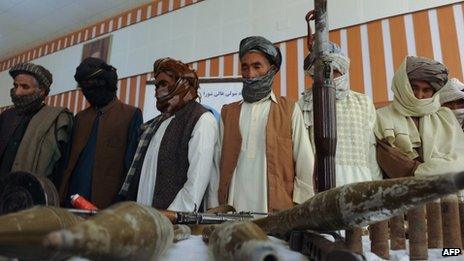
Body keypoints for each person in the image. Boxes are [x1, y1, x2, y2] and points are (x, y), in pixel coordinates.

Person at [211, 36, 314, 213]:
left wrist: (301, 209)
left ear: (272, 69)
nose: (250, 74)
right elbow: (216, 164)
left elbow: (305, 161)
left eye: (257, 66)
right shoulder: (228, 112)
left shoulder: (289, 109)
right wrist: (214, 206)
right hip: (232, 209)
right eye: (245, 67)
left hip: (276, 210)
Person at [118, 57, 217, 212]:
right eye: (156, 85)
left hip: (174, 224)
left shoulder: (201, 119)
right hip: (145, 218)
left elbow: (195, 185)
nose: (158, 90)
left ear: (181, 83)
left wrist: (171, 216)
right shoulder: (155, 124)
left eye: (163, 84)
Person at [59, 58, 143, 208]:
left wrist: (122, 202)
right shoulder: (80, 118)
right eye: (85, 87)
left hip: (108, 202)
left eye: (94, 85)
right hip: (72, 198)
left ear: (107, 83)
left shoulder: (130, 115)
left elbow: (132, 166)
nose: (89, 91)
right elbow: (67, 162)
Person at [298, 42, 382, 186]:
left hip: (360, 183)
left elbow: (371, 149)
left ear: (342, 71)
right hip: (318, 185)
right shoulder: (305, 103)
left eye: (333, 72)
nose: (328, 78)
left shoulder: (363, 102)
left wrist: (376, 187)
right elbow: (302, 153)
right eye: (320, 73)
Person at [375, 56, 464, 177]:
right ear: (402, 85)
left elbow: (460, 160)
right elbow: (391, 162)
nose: (419, 95)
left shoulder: (445, 116)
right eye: (414, 88)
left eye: (426, 90)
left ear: (434, 92)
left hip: (450, 191)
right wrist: (434, 171)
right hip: (402, 190)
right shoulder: (382, 117)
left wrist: (421, 171)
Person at [0, 63, 73, 186]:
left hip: (29, 195)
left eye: (25, 87)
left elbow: (61, 168)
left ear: (41, 91)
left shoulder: (57, 119)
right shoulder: (6, 116)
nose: (17, 92)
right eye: (15, 85)